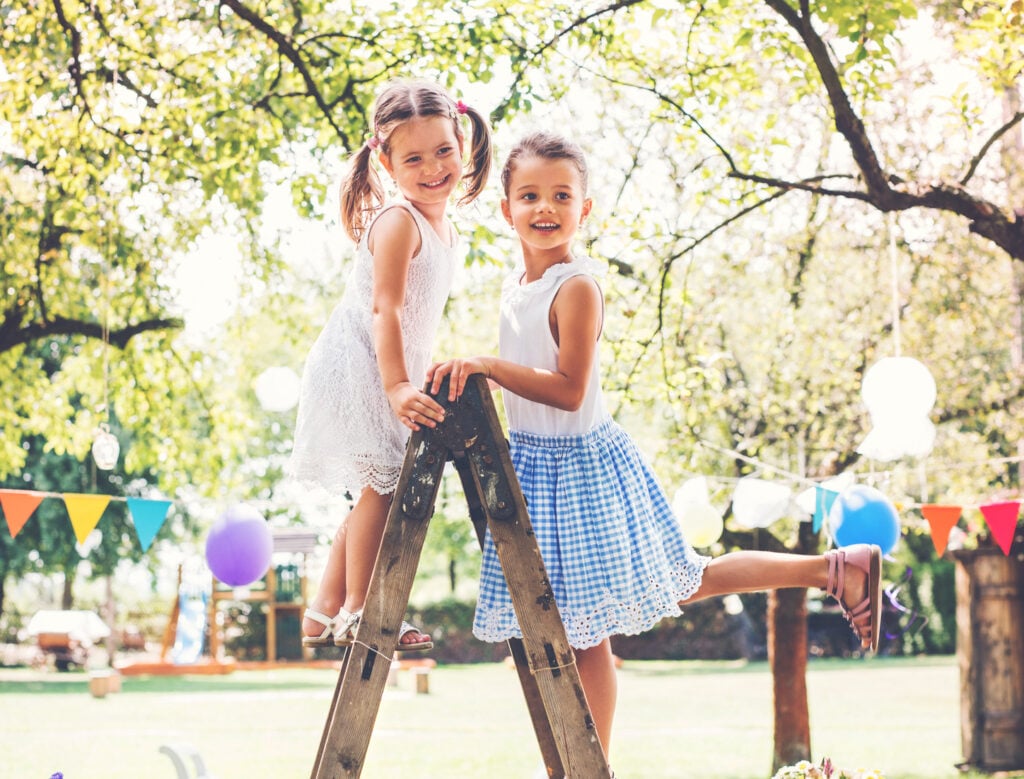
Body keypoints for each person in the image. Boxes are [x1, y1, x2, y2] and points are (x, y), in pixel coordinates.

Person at [427, 130, 882, 765]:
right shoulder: (520, 285)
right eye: (529, 195)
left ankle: (592, 764)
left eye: (562, 195)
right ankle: (836, 570)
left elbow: (567, 388)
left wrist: (485, 366)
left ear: (586, 209)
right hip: (539, 470)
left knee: (597, 630)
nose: (545, 208)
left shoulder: (576, 287)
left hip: (579, 471)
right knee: (648, 595)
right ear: (506, 209)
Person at [286, 79, 492, 652]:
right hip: (359, 366)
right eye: (414, 158)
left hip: (378, 365)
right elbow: (387, 308)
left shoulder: (445, 228)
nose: (433, 168)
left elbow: (419, 313)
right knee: (381, 482)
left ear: (463, 141)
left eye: (444, 151)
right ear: (386, 161)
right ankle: (361, 609)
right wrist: (398, 383)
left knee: (369, 486)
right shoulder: (399, 220)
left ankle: (323, 610)